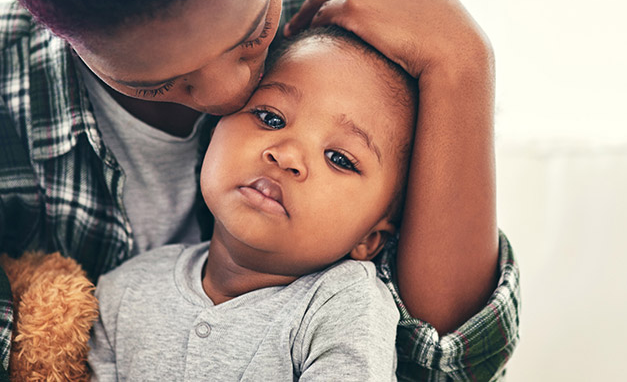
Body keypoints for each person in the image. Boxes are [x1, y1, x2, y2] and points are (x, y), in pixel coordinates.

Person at [0, 0, 520, 380]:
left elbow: (444, 367)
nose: (234, 94)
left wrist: (464, 62)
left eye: (254, 35)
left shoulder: (363, 47)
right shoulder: (11, 87)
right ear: (45, 20)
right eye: (160, 82)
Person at [88, 26, 416, 381]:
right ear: (213, 131)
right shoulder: (124, 291)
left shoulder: (344, 304)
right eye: (271, 118)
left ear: (369, 238)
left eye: (338, 158)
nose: (287, 154)